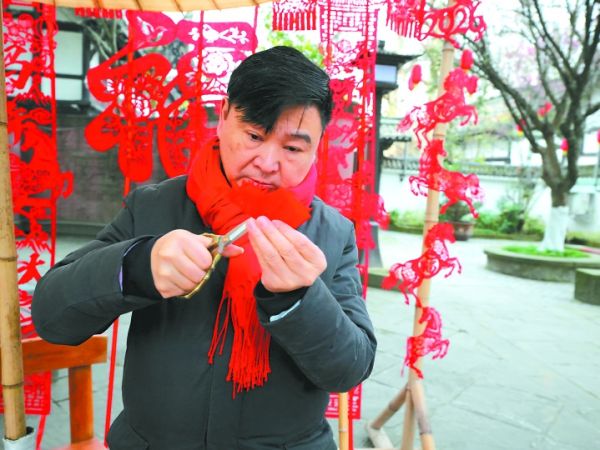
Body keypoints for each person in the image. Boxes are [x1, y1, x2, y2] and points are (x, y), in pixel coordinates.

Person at [32, 46, 376, 450]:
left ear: (317, 146)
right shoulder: (155, 207)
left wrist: (301, 299)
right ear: (224, 115)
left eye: (293, 148)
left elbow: (348, 369)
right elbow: (52, 318)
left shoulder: (332, 233)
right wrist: (138, 266)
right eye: (254, 136)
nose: (267, 162)